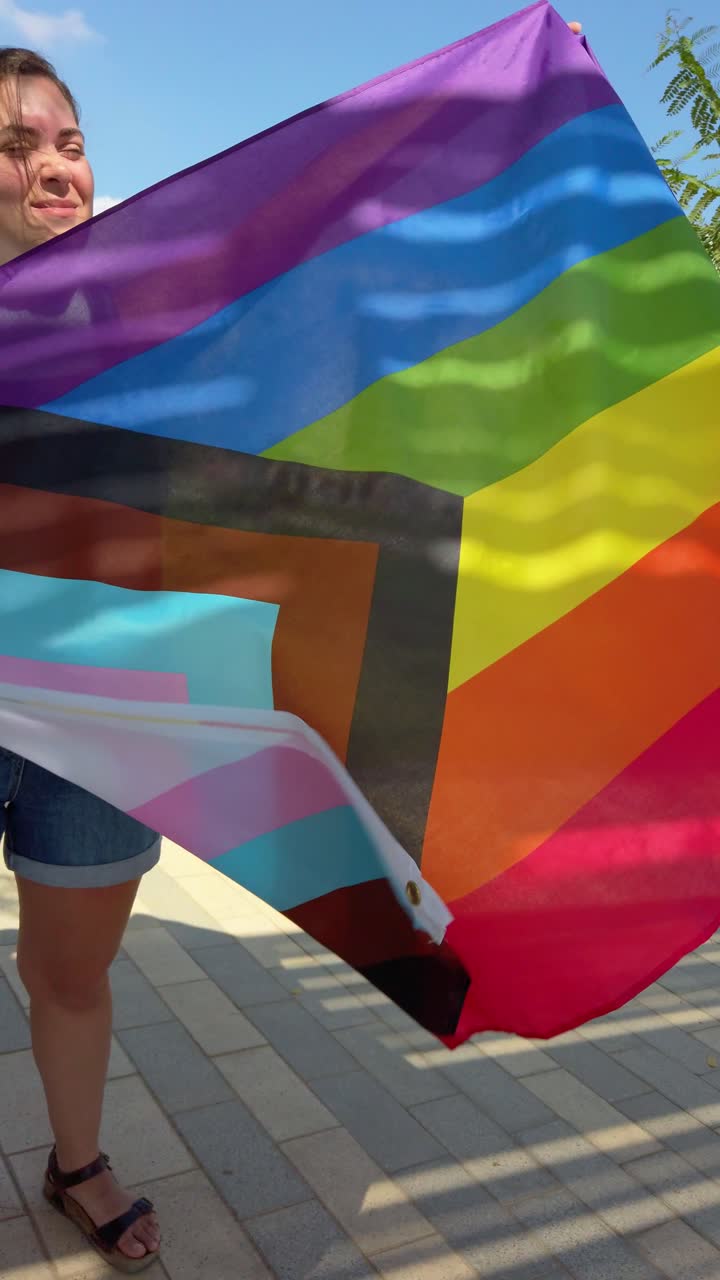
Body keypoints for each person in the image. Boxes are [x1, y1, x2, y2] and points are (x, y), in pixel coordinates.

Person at [0, 18, 584, 1273]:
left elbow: (333, 342)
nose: (53, 165)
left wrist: (504, 124)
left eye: (69, 141)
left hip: (102, 714)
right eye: (12, 146)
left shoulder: (153, 333)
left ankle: (73, 1159)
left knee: (72, 969)